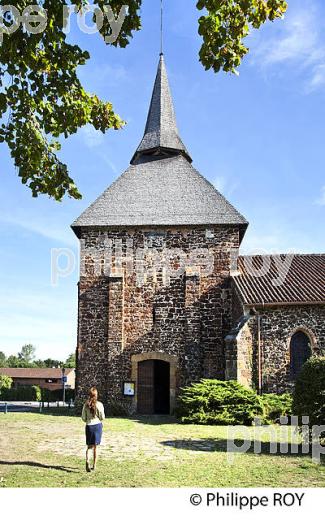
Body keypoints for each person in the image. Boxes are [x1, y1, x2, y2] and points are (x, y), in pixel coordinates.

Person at [81, 387, 105, 472]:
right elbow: (102, 417)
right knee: (96, 447)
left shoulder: (85, 405)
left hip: (89, 426)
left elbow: (83, 418)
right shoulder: (100, 404)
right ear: (96, 395)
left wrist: (88, 420)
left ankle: (87, 461)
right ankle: (94, 465)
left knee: (89, 446)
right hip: (97, 426)